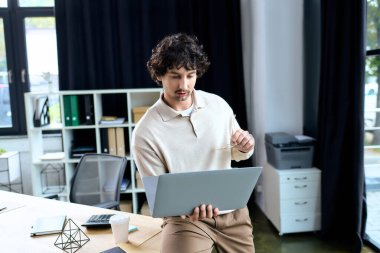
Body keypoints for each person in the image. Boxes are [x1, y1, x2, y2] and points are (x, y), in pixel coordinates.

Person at [131, 33, 256, 253]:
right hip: (185, 221)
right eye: (175, 76)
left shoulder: (218, 105)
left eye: (190, 75)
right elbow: (160, 197)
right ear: (159, 75)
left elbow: (238, 153)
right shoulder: (145, 132)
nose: (184, 85)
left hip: (233, 212)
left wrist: (245, 145)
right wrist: (187, 208)